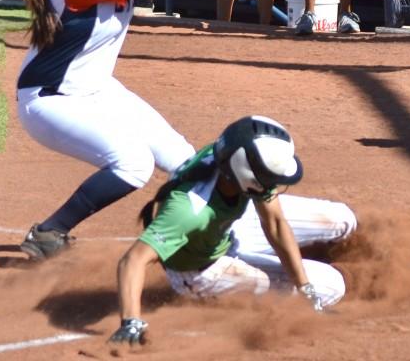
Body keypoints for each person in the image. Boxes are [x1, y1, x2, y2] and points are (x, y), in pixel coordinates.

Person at [16, 0, 246, 260]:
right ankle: (50, 232)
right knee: (133, 163)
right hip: (52, 101)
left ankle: (218, 232)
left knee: (184, 160)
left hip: (96, 89)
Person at [110, 115, 357, 346]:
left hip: (225, 227)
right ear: (246, 175)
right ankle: (222, 300)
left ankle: (291, 266)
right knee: (331, 286)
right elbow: (133, 260)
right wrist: (130, 322)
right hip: (202, 270)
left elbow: (275, 224)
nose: (275, 186)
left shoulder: (232, 158)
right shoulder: (188, 211)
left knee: (343, 219)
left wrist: (304, 287)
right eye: (268, 180)